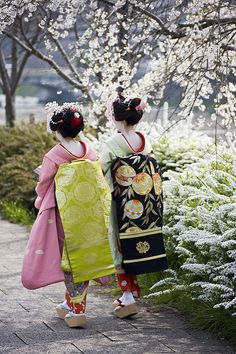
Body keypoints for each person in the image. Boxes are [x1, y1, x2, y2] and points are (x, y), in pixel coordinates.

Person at [22, 102, 114, 328]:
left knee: (70, 259)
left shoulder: (55, 154)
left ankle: (78, 310)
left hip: (63, 213)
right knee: (81, 254)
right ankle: (68, 302)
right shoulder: (89, 149)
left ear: (55, 130)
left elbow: (44, 184)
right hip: (87, 211)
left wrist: (40, 200)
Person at [100, 93, 166, 319]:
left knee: (119, 244)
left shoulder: (112, 143)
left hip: (120, 204)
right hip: (144, 203)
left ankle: (127, 295)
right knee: (135, 240)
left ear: (116, 118)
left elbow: (101, 172)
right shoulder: (144, 139)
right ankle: (133, 291)